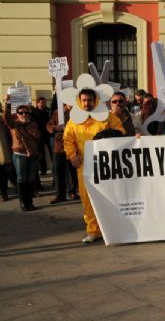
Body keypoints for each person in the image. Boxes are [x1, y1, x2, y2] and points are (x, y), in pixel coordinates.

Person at [63, 88, 126, 242]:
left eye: (89, 100)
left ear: (95, 101)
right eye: (83, 100)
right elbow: (68, 140)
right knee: (87, 198)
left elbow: (121, 132)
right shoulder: (74, 121)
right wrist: (72, 156)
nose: (86, 103)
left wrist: (104, 137)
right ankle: (93, 230)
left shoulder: (107, 117)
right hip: (84, 165)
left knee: (110, 196)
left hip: (106, 164)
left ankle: (112, 229)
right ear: (79, 101)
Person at [3, 98, 40, 210]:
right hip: (20, 155)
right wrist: (7, 104)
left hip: (32, 154)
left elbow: (38, 136)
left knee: (30, 178)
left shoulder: (33, 124)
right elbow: (6, 117)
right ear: (17, 114)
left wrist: (31, 128)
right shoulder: (14, 125)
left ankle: (30, 201)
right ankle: (23, 202)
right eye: (21, 112)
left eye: (26, 112)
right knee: (21, 178)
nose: (23, 114)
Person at [47, 104, 74, 204]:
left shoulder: (79, 111)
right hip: (59, 146)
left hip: (74, 145)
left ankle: (72, 191)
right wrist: (55, 128)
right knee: (58, 170)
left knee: (72, 170)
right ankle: (60, 194)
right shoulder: (58, 112)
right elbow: (49, 125)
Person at [32, 97, 52, 179]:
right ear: (37, 103)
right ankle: (43, 169)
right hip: (39, 135)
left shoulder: (48, 110)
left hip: (48, 134)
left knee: (51, 151)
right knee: (41, 153)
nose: (43, 104)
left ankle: (52, 165)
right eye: (42, 103)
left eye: (44, 102)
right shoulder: (33, 112)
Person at [0, 104, 11, 202]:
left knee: (3, 174)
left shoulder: (2, 117)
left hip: (2, 150)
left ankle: (3, 193)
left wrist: (7, 104)